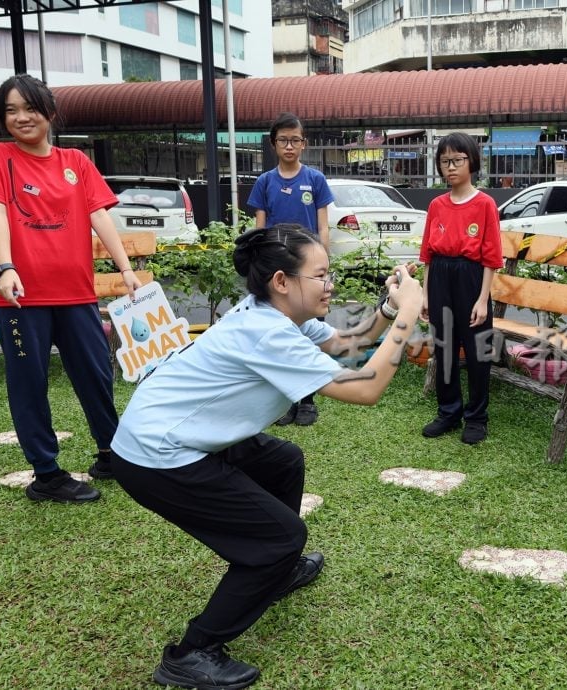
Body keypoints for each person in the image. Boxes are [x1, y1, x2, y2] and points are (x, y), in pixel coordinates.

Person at [111, 223, 423, 689]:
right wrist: (409, 317)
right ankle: (191, 653)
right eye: (320, 276)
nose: (330, 284)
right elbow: (367, 388)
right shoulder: (266, 332)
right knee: (281, 538)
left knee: (283, 460)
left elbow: (344, 343)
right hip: (157, 455)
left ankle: (277, 573)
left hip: (177, 435)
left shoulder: (275, 315)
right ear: (282, 281)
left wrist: (387, 308)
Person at [0, 74, 140, 504]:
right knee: (29, 382)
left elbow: (99, 216)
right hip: (20, 297)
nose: (21, 118)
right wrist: (5, 267)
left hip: (77, 293)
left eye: (29, 108)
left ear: (49, 112)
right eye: (10, 110)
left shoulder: (75, 161)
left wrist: (126, 268)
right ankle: (46, 474)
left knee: (96, 374)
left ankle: (110, 453)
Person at [247, 112, 334, 427]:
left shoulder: (315, 180)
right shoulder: (265, 182)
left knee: (310, 332)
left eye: (295, 140)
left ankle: (307, 401)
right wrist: (260, 268)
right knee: (279, 334)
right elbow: (259, 229)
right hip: (278, 273)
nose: (289, 146)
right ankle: (285, 401)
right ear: (273, 144)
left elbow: (323, 227)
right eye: (283, 140)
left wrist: (322, 265)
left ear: (304, 144)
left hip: (307, 270)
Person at [419, 132, 503, 445]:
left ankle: (477, 417)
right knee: (444, 347)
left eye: (457, 160)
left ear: (472, 162)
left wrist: (483, 300)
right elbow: (428, 255)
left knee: (478, 351)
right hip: (440, 274)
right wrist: (426, 294)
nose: (451, 167)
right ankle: (448, 412)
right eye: (444, 161)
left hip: (471, 278)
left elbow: (492, 257)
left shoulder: (485, 204)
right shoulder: (437, 205)